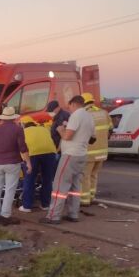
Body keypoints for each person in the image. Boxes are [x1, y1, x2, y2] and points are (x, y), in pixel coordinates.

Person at [42, 95, 95, 224]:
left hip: (70, 155)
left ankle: (53, 216)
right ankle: (73, 214)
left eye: (69, 106)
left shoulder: (76, 115)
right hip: (82, 154)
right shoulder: (89, 116)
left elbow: (67, 136)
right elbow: (93, 139)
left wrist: (61, 130)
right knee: (75, 187)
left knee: (60, 185)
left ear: (74, 104)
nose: (69, 109)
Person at [0, 106, 31, 225]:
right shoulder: (18, 129)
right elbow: (23, 148)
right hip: (12, 163)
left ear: (3, 118)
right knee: (10, 190)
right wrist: (28, 162)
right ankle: (5, 216)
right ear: (13, 118)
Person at [18, 116, 57, 212]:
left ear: (22, 124)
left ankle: (27, 206)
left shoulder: (22, 132)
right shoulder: (43, 129)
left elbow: (21, 148)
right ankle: (45, 204)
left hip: (33, 154)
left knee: (29, 179)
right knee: (47, 179)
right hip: (50, 153)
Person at [79, 92, 111, 206]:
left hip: (89, 152)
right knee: (94, 175)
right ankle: (92, 197)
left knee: (85, 176)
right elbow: (110, 130)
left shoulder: (85, 114)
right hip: (102, 152)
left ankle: (84, 200)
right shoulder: (104, 113)